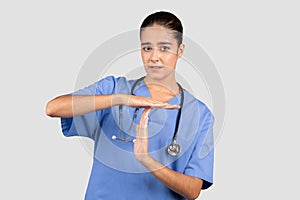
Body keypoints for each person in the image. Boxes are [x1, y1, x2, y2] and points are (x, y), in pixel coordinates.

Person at [46, 11, 214, 200]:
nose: (154, 57)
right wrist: (120, 99)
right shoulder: (114, 88)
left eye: (164, 48)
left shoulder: (199, 114)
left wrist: (147, 160)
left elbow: (192, 190)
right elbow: (53, 108)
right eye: (147, 48)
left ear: (180, 50)